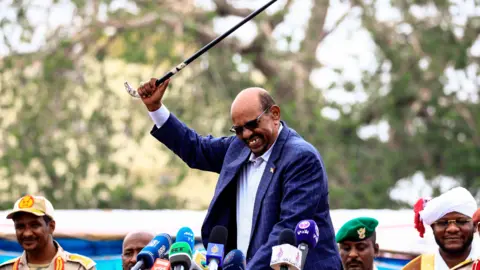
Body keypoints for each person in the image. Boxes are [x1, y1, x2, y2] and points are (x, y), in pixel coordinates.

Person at [136, 78, 341, 269]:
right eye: (239, 129)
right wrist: (155, 108)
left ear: (275, 114)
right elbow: (196, 149)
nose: (247, 135)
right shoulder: (238, 148)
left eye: (252, 125)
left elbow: (286, 230)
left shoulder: (301, 158)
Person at [0, 195, 96, 270]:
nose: (27, 233)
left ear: (51, 226)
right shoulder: (7, 269)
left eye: (35, 225)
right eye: (20, 226)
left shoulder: (80, 268)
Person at [402, 187, 479, 270]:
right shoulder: (416, 267)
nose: (452, 229)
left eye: (461, 221)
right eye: (443, 223)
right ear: (433, 228)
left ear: (475, 226)